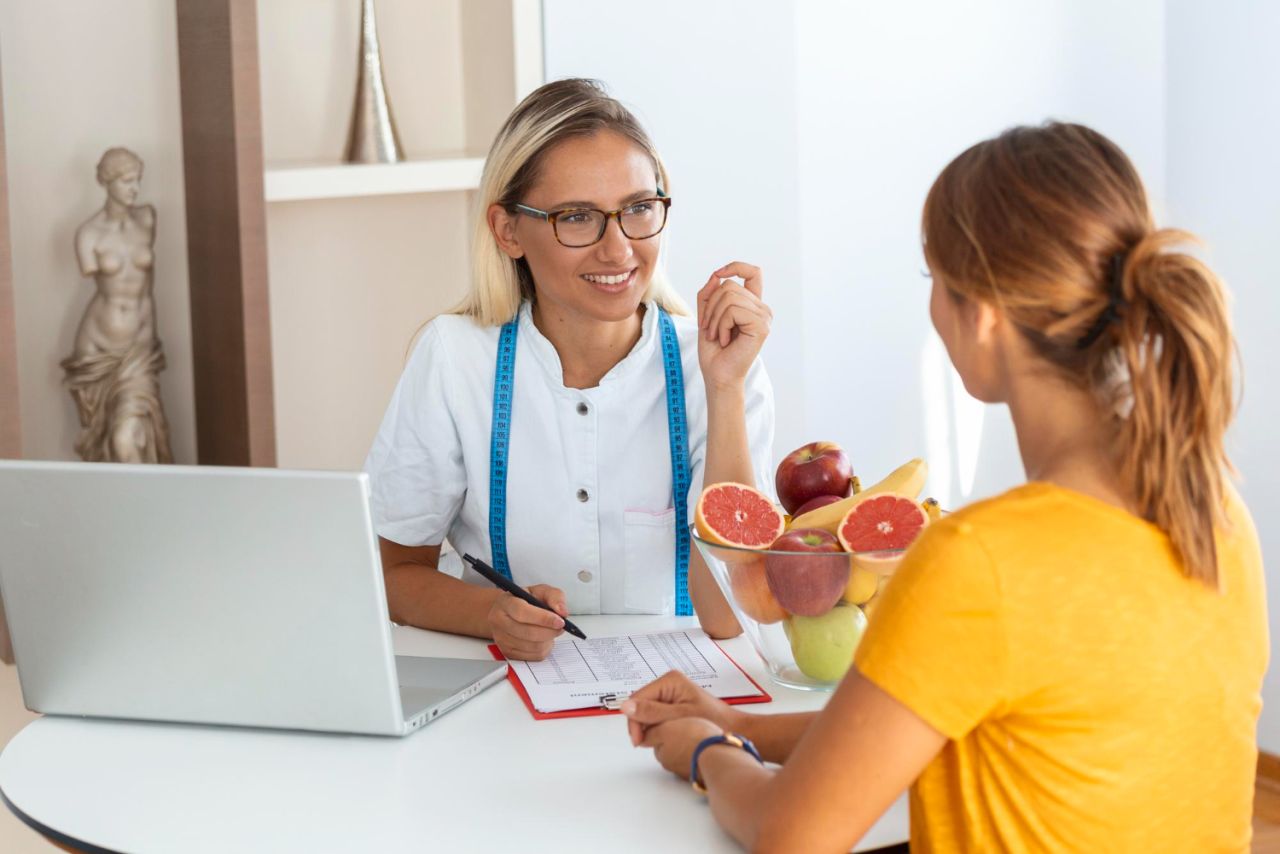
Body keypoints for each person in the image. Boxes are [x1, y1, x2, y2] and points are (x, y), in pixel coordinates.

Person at [621, 122, 1266, 852]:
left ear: (984, 315)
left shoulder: (979, 560)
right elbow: (916, 712)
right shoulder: (1213, 514)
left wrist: (711, 756)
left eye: (936, 281)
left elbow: (788, 836)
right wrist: (738, 724)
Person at [364, 79, 775, 661]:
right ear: (508, 231)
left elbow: (729, 613)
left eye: (637, 209)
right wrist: (490, 614)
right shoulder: (454, 359)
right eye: (577, 217)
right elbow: (395, 574)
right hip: (502, 702)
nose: (618, 250)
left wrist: (725, 389)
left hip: (684, 698)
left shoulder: (716, 365)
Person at [63, 146, 173, 463]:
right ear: (106, 182)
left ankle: (144, 508)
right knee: (110, 444)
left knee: (127, 438)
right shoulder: (88, 235)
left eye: (137, 180)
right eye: (126, 181)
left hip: (138, 351)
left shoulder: (147, 219)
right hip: (97, 352)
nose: (134, 189)